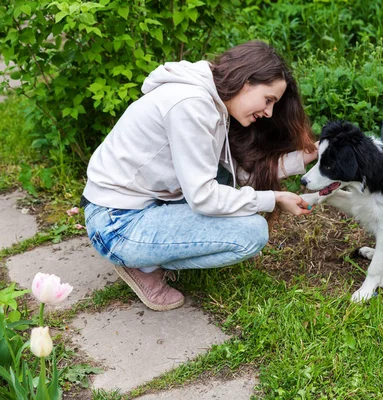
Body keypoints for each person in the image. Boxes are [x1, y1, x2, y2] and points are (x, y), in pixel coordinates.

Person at [82, 40, 318, 311]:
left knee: (224, 181)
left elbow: (236, 174)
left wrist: (303, 159)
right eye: (268, 100)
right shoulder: (191, 106)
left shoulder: (208, 99)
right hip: (116, 224)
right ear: (246, 81)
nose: (269, 112)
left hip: (130, 207)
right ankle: (142, 264)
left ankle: (148, 252)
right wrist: (273, 198)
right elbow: (204, 198)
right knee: (251, 233)